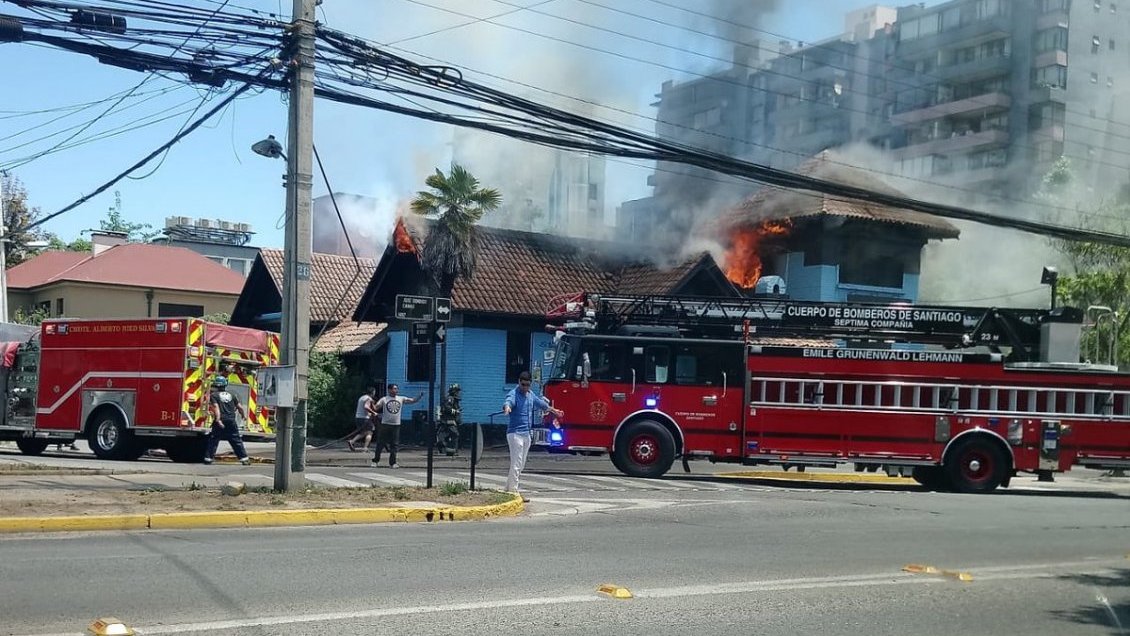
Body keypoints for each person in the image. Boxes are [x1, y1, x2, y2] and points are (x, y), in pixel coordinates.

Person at [502, 371, 563, 502]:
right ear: (519, 382)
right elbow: (509, 401)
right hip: (515, 434)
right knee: (517, 463)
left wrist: (555, 411)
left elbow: (541, 404)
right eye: (523, 385)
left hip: (527, 434)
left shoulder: (530, 395)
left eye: (528, 385)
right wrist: (507, 408)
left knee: (520, 464)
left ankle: (508, 488)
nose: (525, 388)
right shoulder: (514, 394)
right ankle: (513, 492)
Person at [370, 383, 423, 469]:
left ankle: (393, 463)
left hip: (396, 425)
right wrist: (371, 404)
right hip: (385, 424)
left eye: (396, 389)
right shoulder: (384, 399)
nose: (396, 391)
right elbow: (376, 407)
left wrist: (419, 397)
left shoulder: (401, 398)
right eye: (394, 389)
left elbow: (412, 400)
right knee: (380, 443)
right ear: (389, 390)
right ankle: (375, 461)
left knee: (394, 444)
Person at [204, 376, 251, 465]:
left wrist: (218, 419)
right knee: (236, 439)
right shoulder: (232, 395)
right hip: (231, 420)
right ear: (225, 385)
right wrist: (243, 415)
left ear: (216, 385)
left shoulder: (214, 395)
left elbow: (216, 407)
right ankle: (244, 459)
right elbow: (240, 407)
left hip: (221, 420)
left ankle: (208, 459)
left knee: (214, 440)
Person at [346, 385, 378, 452]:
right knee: (370, 433)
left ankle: (352, 441)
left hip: (358, 417)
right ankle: (365, 448)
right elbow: (366, 407)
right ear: (373, 392)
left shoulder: (362, 397)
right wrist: (373, 413)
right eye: (374, 392)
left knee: (363, 432)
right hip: (365, 418)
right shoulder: (368, 398)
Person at [437, 384, 462, 456]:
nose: (458, 393)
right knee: (455, 434)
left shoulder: (454, 400)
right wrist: (455, 411)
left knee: (444, 435)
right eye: (457, 391)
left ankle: (445, 449)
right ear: (453, 391)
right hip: (448, 420)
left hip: (450, 421)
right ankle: (452, 450)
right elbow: (447, 408)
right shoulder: (450, 398)